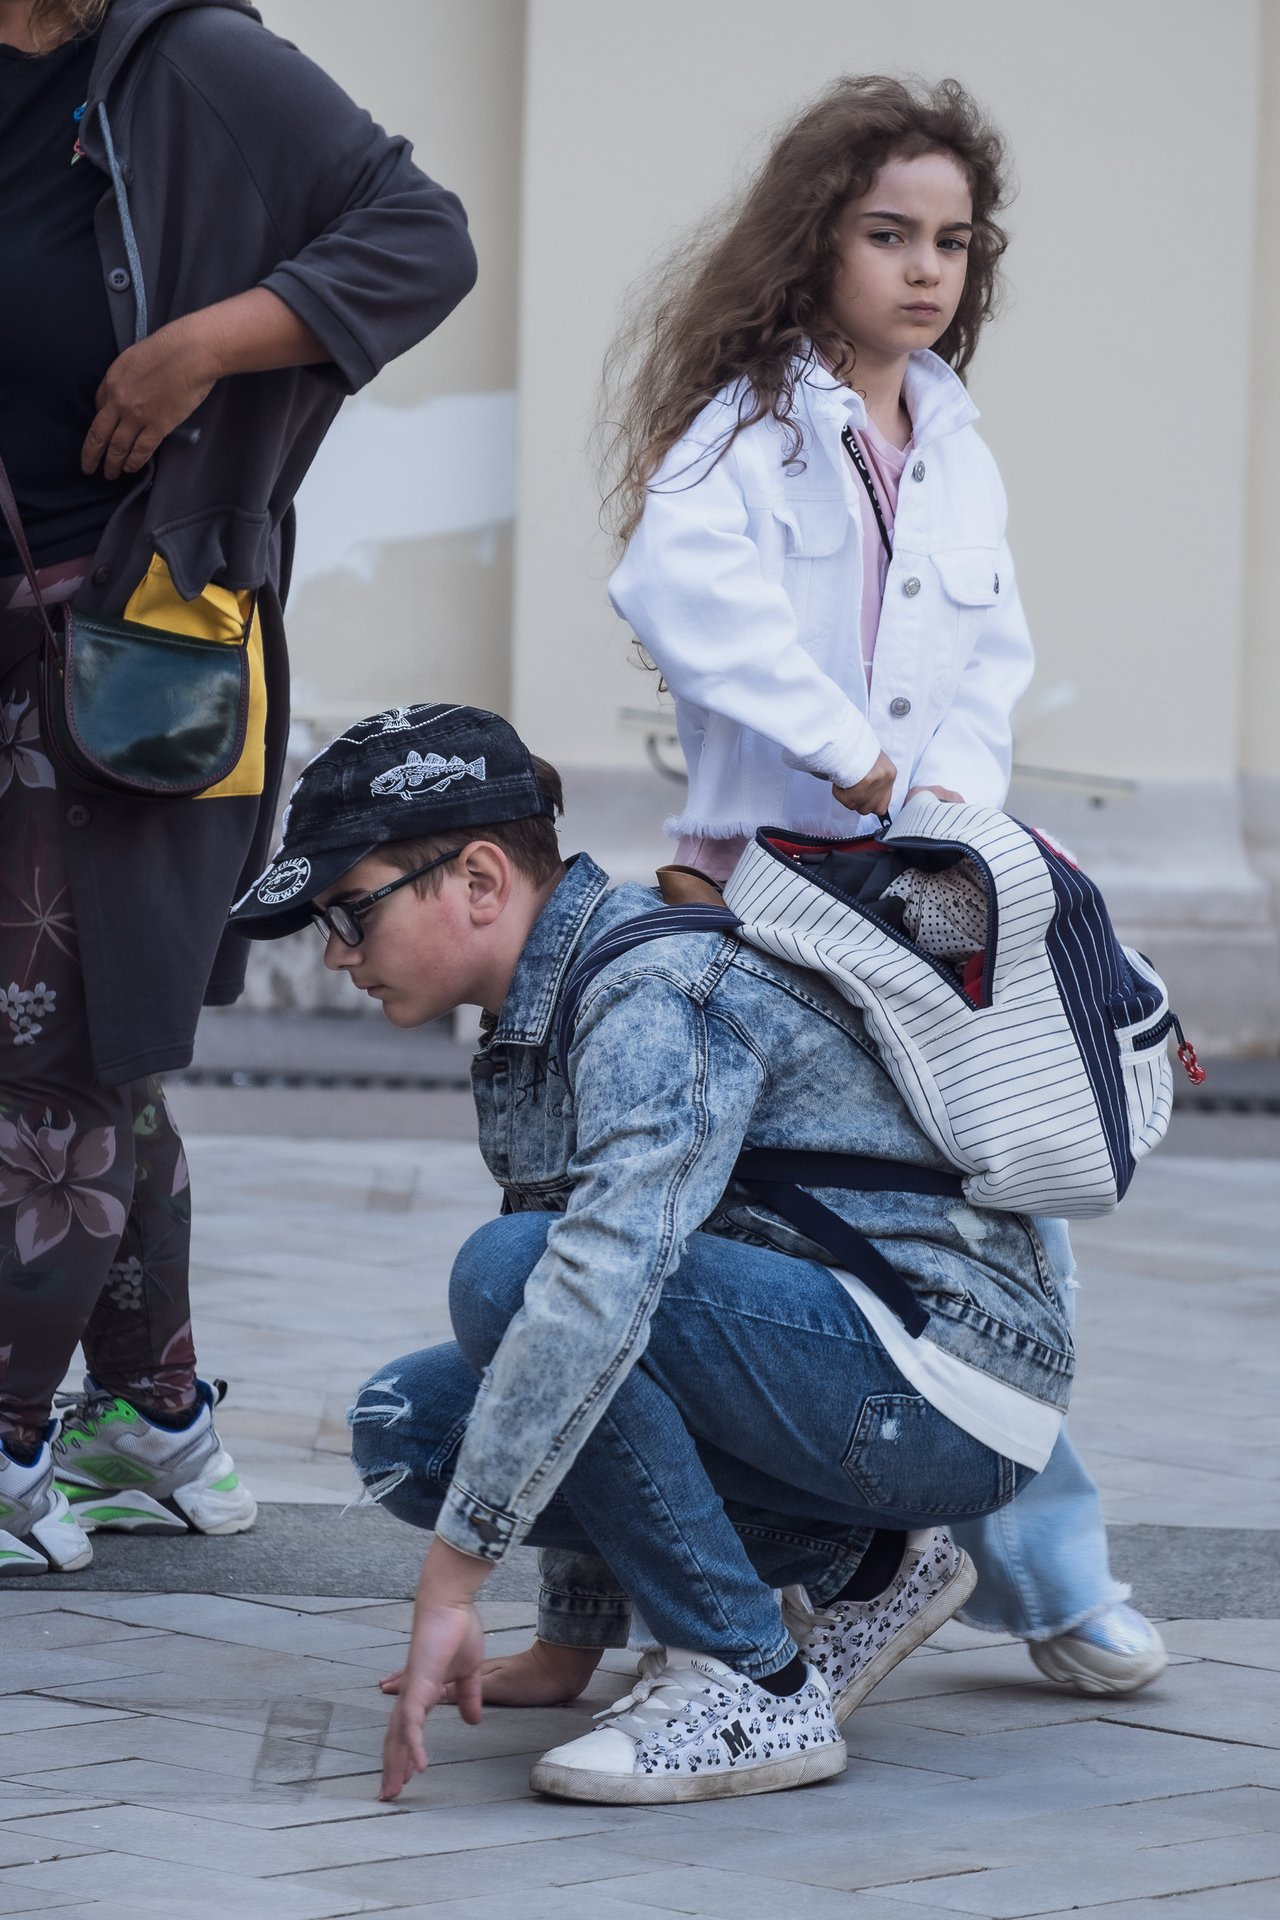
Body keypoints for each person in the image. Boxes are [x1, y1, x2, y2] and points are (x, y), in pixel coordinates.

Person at [228, 701, 1075, 1805]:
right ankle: (865, 1567)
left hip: (945, 1383)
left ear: (479, 881)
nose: (339, 956)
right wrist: (570, 1637)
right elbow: (591, 1338)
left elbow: (597, 1290)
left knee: (516, 1274)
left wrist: (455, 1581)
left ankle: (749, 1682)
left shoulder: (646, 992)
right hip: (838, 1374)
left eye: (352, 913)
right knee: (413, 1430)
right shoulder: (544, 1005)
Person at [604, 73, 1163, 1694]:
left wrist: (953, 807)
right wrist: (842, 748)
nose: (927, 270)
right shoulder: (753, 428)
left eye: (954, 244)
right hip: (761, 909)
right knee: (715, 1238)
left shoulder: (958, 444)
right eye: (888, 234)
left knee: (996, 1220)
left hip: (926, 910)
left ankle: (1059, 1584)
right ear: (816, 240)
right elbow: (674, 582)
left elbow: (991, 657)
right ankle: (692, 1600)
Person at [0, 0, 476, 1572]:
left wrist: (212, 340)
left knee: (45, 1066)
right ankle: (151, 1421)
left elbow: (421, 236)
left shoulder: (192, 63)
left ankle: (9, 1452)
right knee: (94, 1051)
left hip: (128, 655)